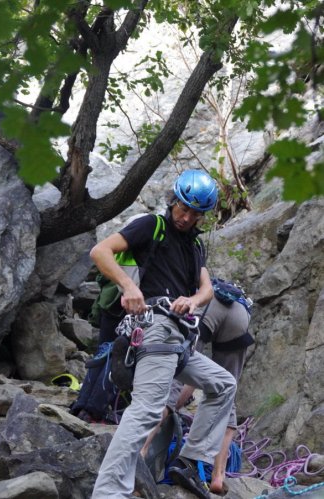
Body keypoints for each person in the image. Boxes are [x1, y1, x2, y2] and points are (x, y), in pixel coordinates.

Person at [90, 169, 237, 499]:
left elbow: (207, 290)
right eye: (182, 209)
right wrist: (128, 285)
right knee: (146, 410)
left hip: (180, 337)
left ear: (202, 216)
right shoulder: (151, 227)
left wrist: (192, 300)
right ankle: (108, 493)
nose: (185, 217)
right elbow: (101, 251)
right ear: (173, 201)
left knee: (224, 385)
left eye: (194, 213)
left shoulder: (196, 245)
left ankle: (190, 458)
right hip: (156, 327)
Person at [167, 294, 254, 493]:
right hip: (241, 315)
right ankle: (218, 476)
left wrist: (174, 407)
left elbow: (192, 377)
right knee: (227, 393)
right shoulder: (231, 295)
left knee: (177, 371)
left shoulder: (195, 292)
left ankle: (143, 452)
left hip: (207, 309)